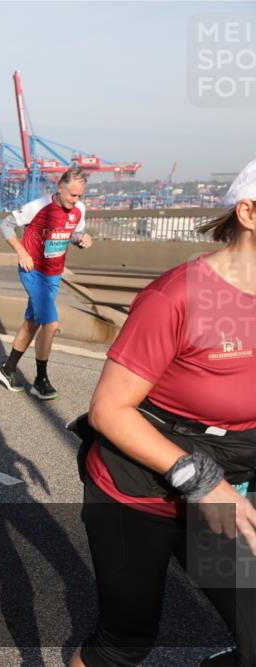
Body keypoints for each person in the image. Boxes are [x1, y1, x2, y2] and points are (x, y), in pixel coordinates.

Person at [69, 161, 256, 666]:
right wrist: (202, 481)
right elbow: (109, 411)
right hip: (142, 490)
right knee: (124, 645)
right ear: (249, 213)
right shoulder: (179, 296)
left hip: (231, 483)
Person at [0, 167, 93, 399]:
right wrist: (22, 252)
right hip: (33, 271)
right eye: (72, 195)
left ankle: (7, 370)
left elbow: (75, 233)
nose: (76, 200)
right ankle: (41, 380)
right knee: (50, 324)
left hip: (54, 273)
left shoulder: (79, 209)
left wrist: (83, 239)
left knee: (32, 322)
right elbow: (5, 225)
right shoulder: (37, 207)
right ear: (60, 188)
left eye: (80, 196)